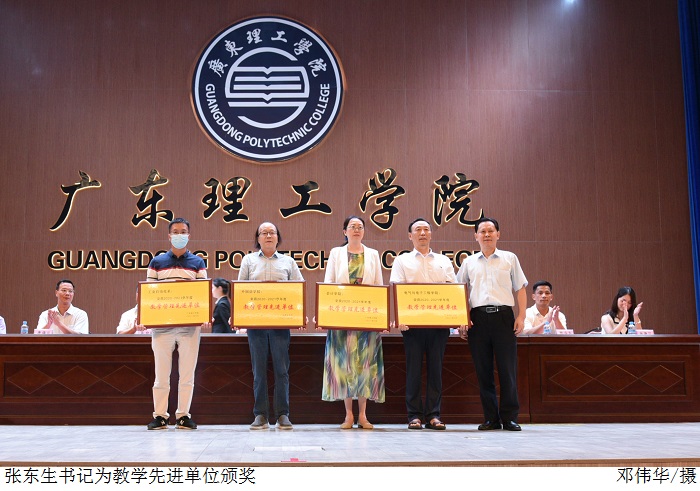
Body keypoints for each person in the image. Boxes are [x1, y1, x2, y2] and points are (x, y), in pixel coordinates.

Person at [457, 217, 527, 432]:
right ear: (475, 236)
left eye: (490, 231)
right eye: (482, 231)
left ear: (498, 234)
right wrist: (462, 319)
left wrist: (521, 316)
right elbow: (459, 292)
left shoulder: (509, 258)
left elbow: (520, 288)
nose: (486, 235)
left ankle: (510, 418)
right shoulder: (468, 262)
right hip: (477, 319)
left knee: (507, 370)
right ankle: (491, 418)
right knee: (483, 371)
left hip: (504, 317)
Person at [389, 218, 456, 431]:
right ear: (410, 236)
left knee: (436, 370)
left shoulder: (444, 261)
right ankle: (414, 416)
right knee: (414, 370)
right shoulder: (402, 260)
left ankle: (434, 415)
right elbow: (397, 289)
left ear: (431, 234)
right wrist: (400, 318)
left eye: (426, 229)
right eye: (417, 229)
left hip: (439, 324)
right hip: (413, 325)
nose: (422, 233)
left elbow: (453, 289)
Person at [238, 221, 303, 430]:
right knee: (259, 371)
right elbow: (240, 291)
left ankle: (283, 414)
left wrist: (299, 316)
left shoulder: (288, 262)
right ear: (257, 238)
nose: (268, 235)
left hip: (280, 325)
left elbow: (298, 290)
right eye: (264, 232)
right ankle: (261, 415)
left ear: (277, 237)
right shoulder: (248, 261)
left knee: (281, 370)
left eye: (272, 232)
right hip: (255, 325)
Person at [322, 216, 385, 429]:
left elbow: (379, 287)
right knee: (345, 366)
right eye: (352, 227)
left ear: (364, 231)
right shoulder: (336, 253)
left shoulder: (373, 254)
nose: (356, 230)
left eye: (360, 227)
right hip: (342, 318)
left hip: (366, 319)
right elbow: (329, 284)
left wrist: (380, 318)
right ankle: (348, 415)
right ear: (345, 231)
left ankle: (363, 415)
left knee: (365, 366)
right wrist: (327, 315)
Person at [146, 217, 208, 431]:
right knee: (161, 375)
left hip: (189, 327)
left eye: (183, 232)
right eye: (175, 232)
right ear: (169, 235)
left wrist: (203, 315)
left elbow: (202, 293)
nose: (179, 235)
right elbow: (149, 294)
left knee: (187, 375)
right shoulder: (156, 262)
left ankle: (183, 416)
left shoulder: (198, 263)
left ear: (188, 236)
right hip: (162, 326)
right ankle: (160, 416)